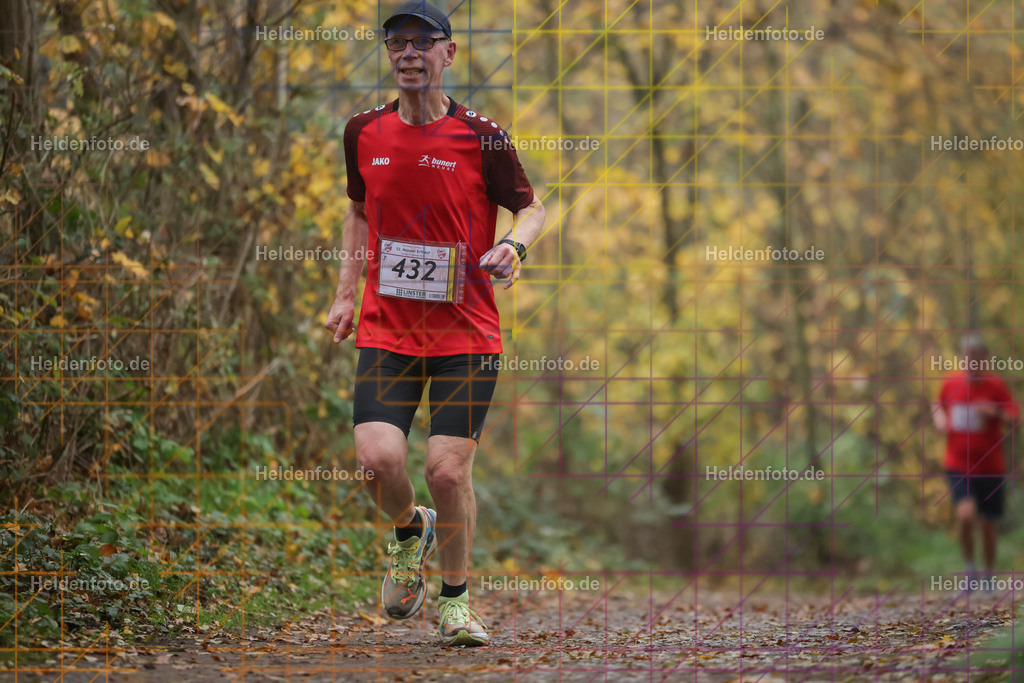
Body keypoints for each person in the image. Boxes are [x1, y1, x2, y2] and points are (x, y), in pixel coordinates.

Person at [324, 0, 546, 646]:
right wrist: (345, 293)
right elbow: (358, 212)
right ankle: (407, 529)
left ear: (450, 54)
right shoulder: (363, 131)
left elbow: (534, 208)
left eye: (424, 42)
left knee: (449, 470)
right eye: (398, 43)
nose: (409, 53)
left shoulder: (481, 136)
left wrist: (515, 246)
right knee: (376, 460)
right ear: (390, 55)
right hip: (388, 329)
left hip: (466, 334)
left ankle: (455, 602)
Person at [932, 333, 1018, 588]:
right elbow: (937, 405)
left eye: (978, 359)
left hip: (991, 465)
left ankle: (989, 575)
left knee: (988, 523)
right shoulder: (951, 382)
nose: (973, 364)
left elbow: (1014, 417)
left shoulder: (996, 385)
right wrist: (939, 420)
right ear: (962, 359)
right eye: (969, 359)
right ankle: (970, 570)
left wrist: (994, 411)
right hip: (958, 463)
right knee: (965, 515)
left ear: (986, 359)